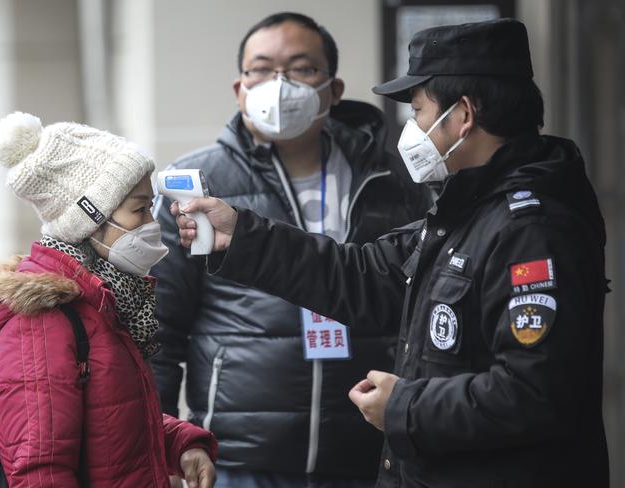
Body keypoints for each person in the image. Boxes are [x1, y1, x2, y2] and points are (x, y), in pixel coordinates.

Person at [169, 18, 609, 488]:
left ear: (462, 116)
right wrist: (243, 235)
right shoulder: (466, 212)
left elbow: (534, 393)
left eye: (418, 110)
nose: (412, 128)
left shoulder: (531, 229)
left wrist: (402, 406)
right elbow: (365, 275)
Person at [151, 11, 432, 488]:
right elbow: (160, 329)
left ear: (334, 89)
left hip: (369, 449)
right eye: (261, 69)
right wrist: (162, 440)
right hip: (238, 457)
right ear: (239, 88)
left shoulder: (394, 182)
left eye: (301, 69)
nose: (278, 85)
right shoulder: (196, 186)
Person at [0, 112, 218, 487]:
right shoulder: (41, 323)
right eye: (138, 209)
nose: (152, 224)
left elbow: (112, 420)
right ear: (88, 219)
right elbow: (41, 471)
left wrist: (181, 445)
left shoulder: (102, 302)